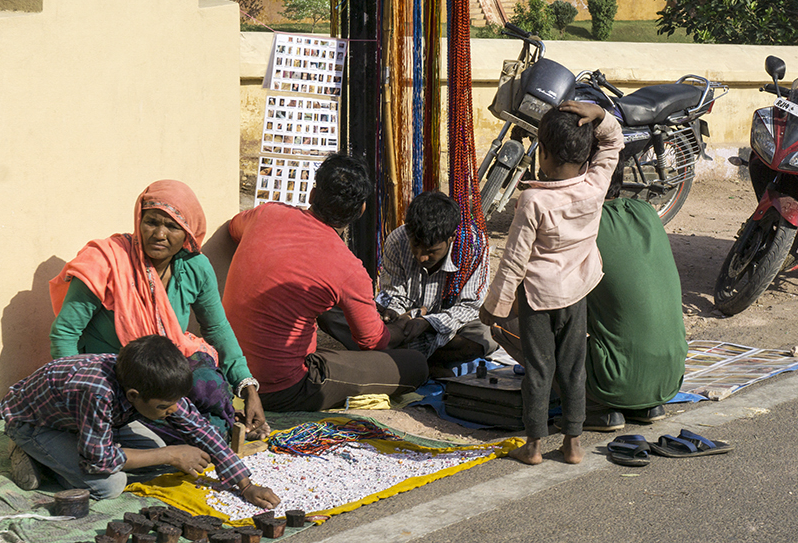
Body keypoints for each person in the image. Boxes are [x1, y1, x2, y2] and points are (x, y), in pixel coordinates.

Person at [48, 180, 268, 443]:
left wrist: (248, 388)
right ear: (139, 221)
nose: (159, 234)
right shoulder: (106, 261)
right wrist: (78, 393)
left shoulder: (195, 267)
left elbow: (216, 328)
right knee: (158, 435)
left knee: (208, 385)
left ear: (187, 232)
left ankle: (212, 431)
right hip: (115, 373)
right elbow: (65, 333)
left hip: (165, 369)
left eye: (172, 226)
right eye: (152, 222)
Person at [222, 153, 429, 412]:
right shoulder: (348, 268)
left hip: (230, 371)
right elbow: (374, 342)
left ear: (311, 195)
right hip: (280, 389)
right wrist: (402, 324)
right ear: (361, 209)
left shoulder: (266, 213)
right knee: (415, 364)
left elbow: (233, 229)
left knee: (324, 307)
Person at [480, 101, 622, 466]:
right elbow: (613, 144)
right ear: (585, 152)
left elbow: (515, 259)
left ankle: (534, 445)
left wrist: (494, 307)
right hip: (577, 293)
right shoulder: (595, 184)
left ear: (541, 153)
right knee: (574, 367)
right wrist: (602, 116)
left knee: (540, 370)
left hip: (538, 298)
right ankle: (573, 443)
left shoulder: (533, 200)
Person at [0, 335, 280, 508]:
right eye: (163, 407)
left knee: (156, 456)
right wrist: (170, 453)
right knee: (109, 485)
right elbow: (98, 459)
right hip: (35, 422)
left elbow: (199, 428)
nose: (172, 411)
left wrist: (245, 486)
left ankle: (71, 451)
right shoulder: (96, 392)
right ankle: (30, 452)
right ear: (134, 395)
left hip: (87, 421)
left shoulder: (153, 383)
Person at [492, 197, 687, 431]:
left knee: (502, 321)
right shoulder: (645, 211)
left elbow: (535, 302)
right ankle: (644, 406)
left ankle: (596, 407)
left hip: (614, 381)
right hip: (669, 380)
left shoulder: (575, 224)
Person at [319, 190, 497, 376]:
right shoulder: (398, 240)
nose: (421, 257)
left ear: (451, 237)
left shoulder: (473, 247)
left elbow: (470, 307)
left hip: (444, 329)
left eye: (431, 251)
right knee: (330, 310)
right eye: (415, 246)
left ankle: (401, 361)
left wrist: (428, 322)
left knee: (486, 335)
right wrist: (394, 313)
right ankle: (415, 362)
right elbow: (392, 293)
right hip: (402, 324)